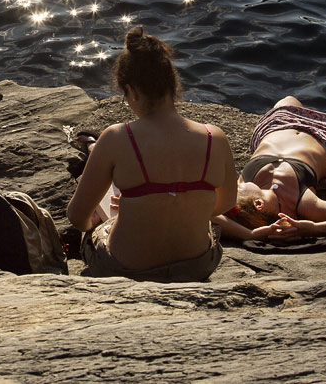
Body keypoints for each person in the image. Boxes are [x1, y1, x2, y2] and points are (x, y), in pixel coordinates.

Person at [66, 27, 237, 281]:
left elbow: (78, 218)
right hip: (197, 266)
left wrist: (122, 217)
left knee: (98, 210)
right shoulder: (215, 137)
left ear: (131, 91)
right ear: (172, 85)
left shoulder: (116, 137)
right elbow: (225, 203)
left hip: (126, 270)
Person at [214, 96, 326, 243]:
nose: (237, 185)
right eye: (238, 189)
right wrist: (314, 228)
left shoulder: (246, 183)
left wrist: (250, 235)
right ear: (259, 203)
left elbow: (208, 214)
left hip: (279, 125)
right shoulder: (304, 203)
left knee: (289, 99)